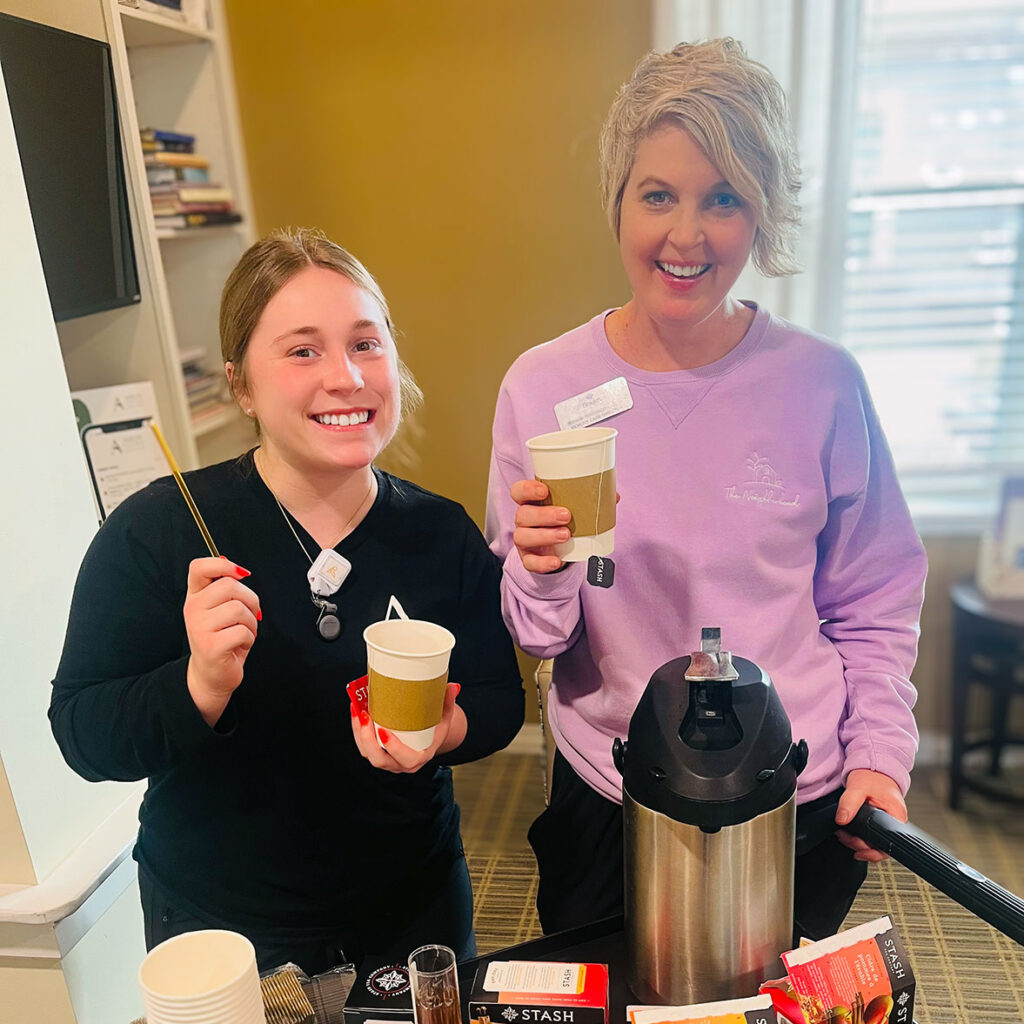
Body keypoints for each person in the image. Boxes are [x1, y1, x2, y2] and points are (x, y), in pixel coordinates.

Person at [485, 39, 927, 942]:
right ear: (618, 200)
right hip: (608, 787)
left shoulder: (823, 384)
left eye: (722, 198)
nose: (686, 236)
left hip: (795, 790)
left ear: (761, 215)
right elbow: (537, 636)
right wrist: (541, 569)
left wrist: (880, 750)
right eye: (658, 195)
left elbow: (874, 599)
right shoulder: (542, 387)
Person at [50, 227, 523, 973]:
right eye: (303, 351)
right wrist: (197, 685)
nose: (346, 377)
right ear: (242, 384)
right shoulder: (161, 532)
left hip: (412, 914)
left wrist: (448, 727)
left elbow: (501, 699)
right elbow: (82, 735)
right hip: (223, 932)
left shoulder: (438, 532)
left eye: (367, 345)